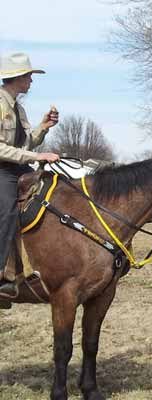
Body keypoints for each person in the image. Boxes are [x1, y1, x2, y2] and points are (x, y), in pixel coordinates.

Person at [0, 52, 60, 297]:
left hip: (17, 167)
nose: (31, 81)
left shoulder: (18, 108)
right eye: (29, 76)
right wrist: (38, 158)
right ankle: (4, 276)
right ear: (18, 77)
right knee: (7, 211)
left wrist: (43, 128)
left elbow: (25, 145)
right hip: (2, 171)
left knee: (55, 192)